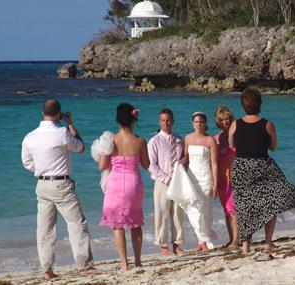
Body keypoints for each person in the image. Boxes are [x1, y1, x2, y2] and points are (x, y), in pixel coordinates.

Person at [229, 88, 295, 254]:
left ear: (243, 105)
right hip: (262, 166)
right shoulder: (267, 124)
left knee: (244, 206)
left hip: (241, 167)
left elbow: (232, 145)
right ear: (259, 104)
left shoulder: (235, 124)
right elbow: (273, 147)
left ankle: (245, 246)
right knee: (271, 202)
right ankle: (267, 242)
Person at [21, 99, 94, 280]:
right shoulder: (62, 132)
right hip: (61, 184)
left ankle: (47, 269)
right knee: (77, 224)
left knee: (45, 230)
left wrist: (41, 170)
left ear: (42, 113)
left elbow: (27, 163)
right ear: (59, 114)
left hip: (42, 184)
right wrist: (70, 124)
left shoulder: (30, 136)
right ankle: (84, 265)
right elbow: (80, 147)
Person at [99, 103, 150, 272]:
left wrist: (100, 153)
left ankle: (124, 264)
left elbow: (103, 165)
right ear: (133, 119)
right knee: (135, 223)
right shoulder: (140, 141)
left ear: (118, 119)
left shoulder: (111, 140)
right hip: (133, 184)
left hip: (115, 184)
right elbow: (146, 164)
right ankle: (138, 261)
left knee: (118, 225)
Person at [148, 108, 184, 256]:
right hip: (162, 182)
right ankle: (163, 246)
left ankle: (177, 244)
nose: (166, 123)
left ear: (173, 121)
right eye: (163, 120)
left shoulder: (179, 140)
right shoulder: (154, 141)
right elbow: (151, 164)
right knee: (162, 213)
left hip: (178, 182)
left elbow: (183, 159)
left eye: (168, 120)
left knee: (177, 213)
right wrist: (166, 178)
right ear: (159, 122)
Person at [182, 112, 218, 251]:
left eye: (201, 122)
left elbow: (214, 163)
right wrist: (179, 163)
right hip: (192, 177)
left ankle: (204, 240)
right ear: (193, 123)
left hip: (206, 178)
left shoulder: (210, 140)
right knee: (193, 210)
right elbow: (186, 157)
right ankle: (202, 241)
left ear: (205, 123)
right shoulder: (188, 138)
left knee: (205, 211)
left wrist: (215, 183)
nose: (199, 124)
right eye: (196, 122)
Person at [213, 106, 239, 248]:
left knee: (233, 208)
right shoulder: (216, 139)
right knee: (226, 210)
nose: (225, 122)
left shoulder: (237, 136)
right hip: (221, 178)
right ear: (218, 121)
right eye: (222, 120)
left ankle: (236, 240)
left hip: (234, 177)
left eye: (227, 119)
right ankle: (232, 239)